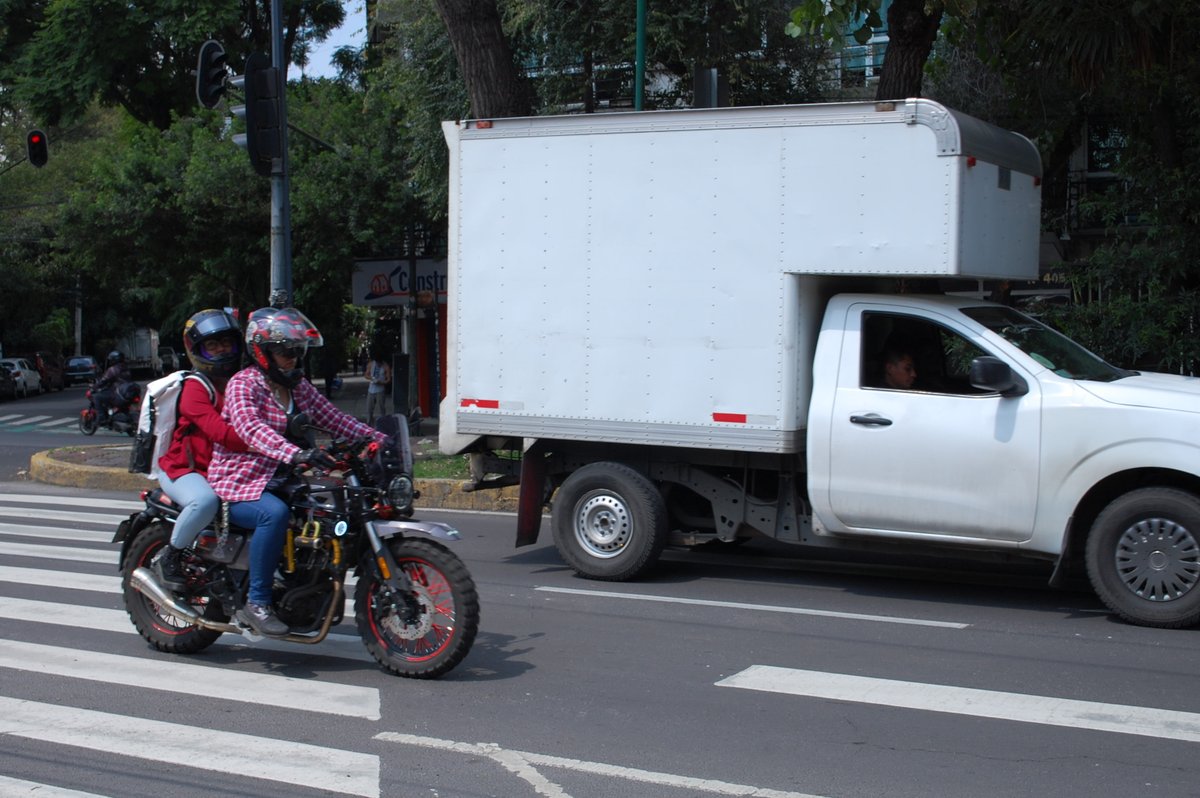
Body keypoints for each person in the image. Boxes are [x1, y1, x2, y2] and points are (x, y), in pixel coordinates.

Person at [207, 307, 389, 638]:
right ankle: (257, 603)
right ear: (262, 352)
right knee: (273, 515)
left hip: (283, 478)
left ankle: (300, 581)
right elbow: (252, 430)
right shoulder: (243, 384)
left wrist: (378, 439)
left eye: (296, 351)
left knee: (325, 511)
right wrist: (296, 453)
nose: (292, 358)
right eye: (285, 351)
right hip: (241, 483)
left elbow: (333, 418)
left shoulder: (297, 386)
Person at [151, 309, 250, 589]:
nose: (221, 350)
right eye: (212, 345)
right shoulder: (195, 387)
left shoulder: (239, 382)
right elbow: (221, 433)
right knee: (204, 502)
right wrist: (265, 442)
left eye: (226, 343)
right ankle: (170, 556)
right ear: (197, 350)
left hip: (224, 471)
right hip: (185, 471)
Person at [92, 350, 132, 419]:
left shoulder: (112, 369)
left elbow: (103, 381)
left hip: (117, 393)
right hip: (127, 392)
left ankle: (101, 417)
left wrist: (94, 387)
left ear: (114, 360)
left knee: (96, 397)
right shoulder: (126, 368)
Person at [364, 349, 391, 424]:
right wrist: (371, 378)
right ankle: (369, 424)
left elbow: (388, 379)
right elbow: (366, 375)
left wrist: (382, 382)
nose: (378, 364)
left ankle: (383, 423)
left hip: (380, 390)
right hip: (371, 390)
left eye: (379, 363)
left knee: (381, 408)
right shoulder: (371, 364)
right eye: (377, 362)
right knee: (369, 409)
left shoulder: (385, 366)